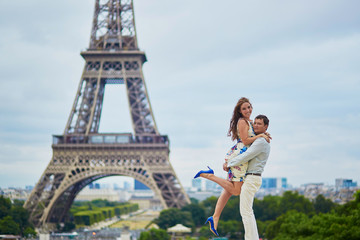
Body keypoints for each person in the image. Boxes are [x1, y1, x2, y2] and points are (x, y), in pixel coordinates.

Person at [194, 98, 270, 236]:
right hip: (240, 157)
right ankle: (209, 175)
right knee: (235, 191)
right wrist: (261, 137)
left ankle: (215, 217)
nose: (248, 110)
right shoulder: (242, 121)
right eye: (244, 109)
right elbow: (246, 140)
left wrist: (264, 134)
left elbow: (258, 131)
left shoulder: (250, 122)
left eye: (249, 107)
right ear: (239, 111)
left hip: (239, 157)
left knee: (229, 191)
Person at [227, 114, 271, 240]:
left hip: (252, 178)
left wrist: (228, 163)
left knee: (246, 212)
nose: (256, 125)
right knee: (246, 211)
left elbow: (247, 155)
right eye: (255, 123)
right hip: (252, 178)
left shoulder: (261, 142)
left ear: (266, 127)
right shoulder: (260, 139)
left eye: (259, 124)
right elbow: (248, 124)